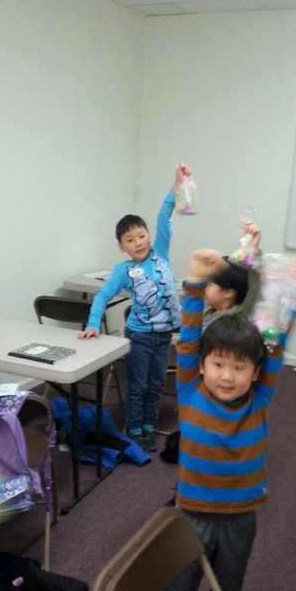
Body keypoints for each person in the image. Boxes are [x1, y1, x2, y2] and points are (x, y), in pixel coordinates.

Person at [158, 248, 287, 591]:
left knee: (228, 587)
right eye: (217, 364)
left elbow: (274, 345)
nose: (227, 376)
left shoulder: (259, 399)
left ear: (256, 372)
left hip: (239, 518)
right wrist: (196, 280)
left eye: (239, 368)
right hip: (191, 513)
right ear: (202, 365)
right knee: (179, 586)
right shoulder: (190, 389)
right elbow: (189, 335)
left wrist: (281, 298)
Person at [78, 163, 190, 452]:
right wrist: (93, 324)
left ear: (149, 236)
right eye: (130, 240)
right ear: (121, 246)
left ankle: (148, 427)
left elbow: (164, 216)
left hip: (163, 335)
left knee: (156, 384)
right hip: (139, 336)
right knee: (138, 385)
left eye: (141, 236)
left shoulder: (160, 253)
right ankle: (135, 429)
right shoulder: (123, 270)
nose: (138, 242)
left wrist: (176, 186)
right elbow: (102, 296)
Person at [202, 222, 261, 330]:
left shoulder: (237, 318)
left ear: (228, 292)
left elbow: (254, 285)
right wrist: (247, 243)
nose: (205, 287)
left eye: (210, 284)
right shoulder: (210, 311)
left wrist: (254, 250)